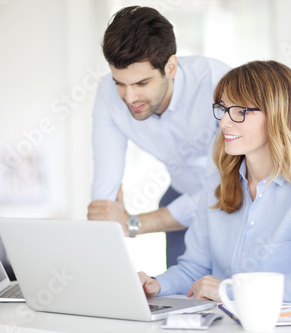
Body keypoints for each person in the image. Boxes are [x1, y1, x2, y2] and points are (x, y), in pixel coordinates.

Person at [139, 60, 291, 307]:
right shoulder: (216, 186)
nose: (224, 122)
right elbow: (195, 269)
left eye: (239, 111)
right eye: (223, 109)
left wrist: (231, 288)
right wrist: (156, 284)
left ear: (278, 115)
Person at [87, 6, 231, 267]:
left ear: (171, 67)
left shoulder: (219, 85)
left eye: (142, 83)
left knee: (225, 291)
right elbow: (105, 192)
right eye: (120, 82)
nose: (130, 98)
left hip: (235, 196)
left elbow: (220, 191)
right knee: (183, 295)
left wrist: (133, 224)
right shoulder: (108, 96)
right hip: (180, 194)